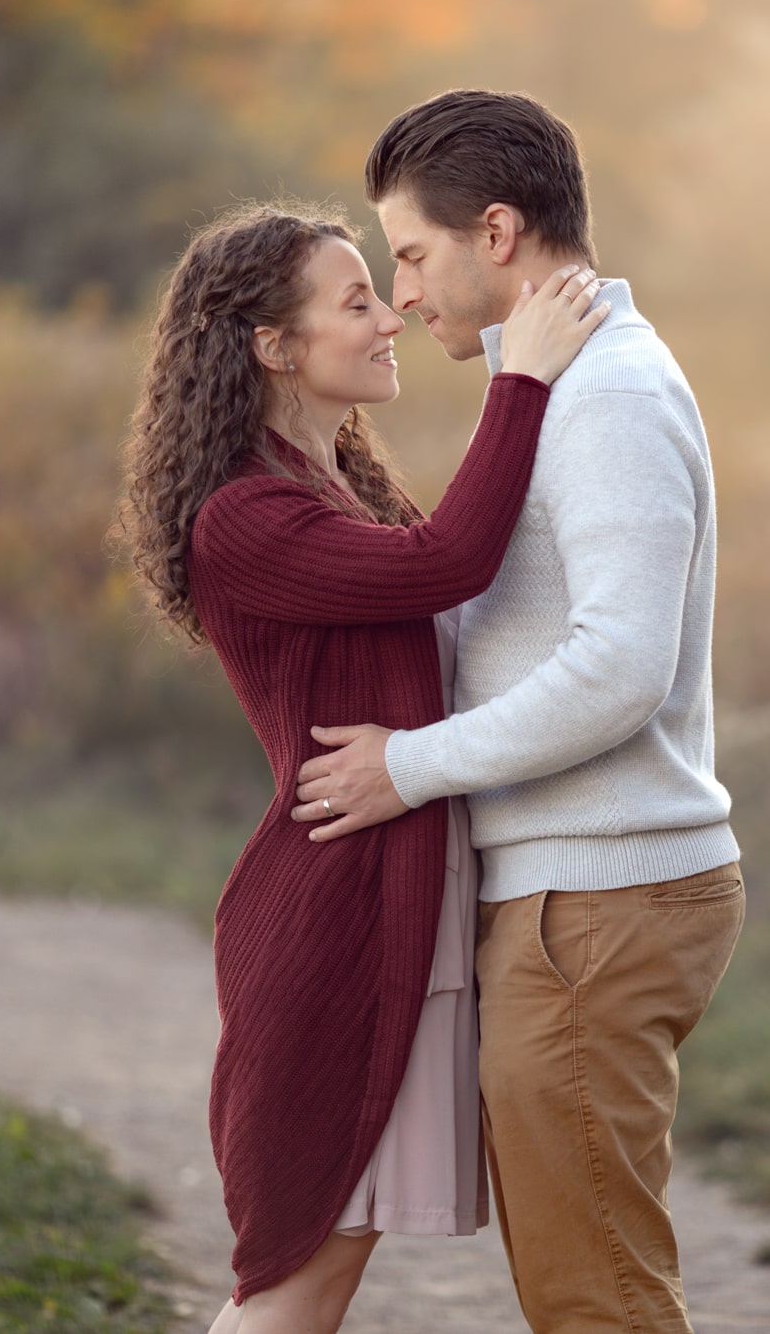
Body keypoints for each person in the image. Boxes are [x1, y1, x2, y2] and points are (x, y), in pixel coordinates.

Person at [290, 89, 745, 1334]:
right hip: (570, 902)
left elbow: (618, 667)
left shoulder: (607, 396)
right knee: (584, 1288)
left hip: (597, 906)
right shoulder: (560, 389)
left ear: (496, 232)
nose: (401, 292)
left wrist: (411, 766)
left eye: (412, 255)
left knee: (594, 1302)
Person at [117, 199, 606, 1333]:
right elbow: (452, 559)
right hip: (329, 925)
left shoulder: (338, 482)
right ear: (272, 347)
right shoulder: (246, 517)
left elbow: (462, 588)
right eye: (355, 301)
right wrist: (518, 376)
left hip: (392, 910)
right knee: (294, 1282)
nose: (390, 316)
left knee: (323, 1277)